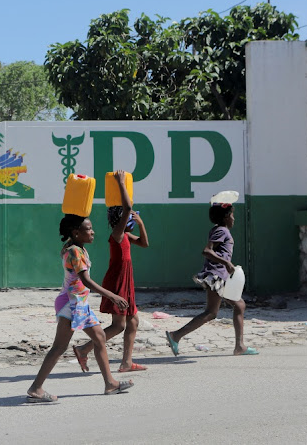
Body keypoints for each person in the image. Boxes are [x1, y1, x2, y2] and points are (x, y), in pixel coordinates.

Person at [26, 214, 135, 402]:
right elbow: (85, 280)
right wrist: (112, 296)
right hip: (72, 302)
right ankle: (36, 388)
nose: (93, 232)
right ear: (76, 233)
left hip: (77, 302)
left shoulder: (77, 248)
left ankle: (110, 383)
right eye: (88, 229)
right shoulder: (75, 251)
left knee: (99, 338)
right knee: (59, 347)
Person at [72, 170, 150, 373]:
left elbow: (144, 243)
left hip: (127, 279)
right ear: (121, 219)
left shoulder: (125, 235)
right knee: (119, 325)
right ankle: (83, 349)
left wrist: (140, 224)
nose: (132, 217)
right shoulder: (116, 234)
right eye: (130, 217)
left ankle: (126, 362)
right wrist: (121, 182)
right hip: (117, 281)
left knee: (133, 321)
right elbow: (128, 207)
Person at [165, 202, 258, 356]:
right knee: (211, 312)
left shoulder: (219, 230)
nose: (234, 218)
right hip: (216, 276)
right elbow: (207, 251)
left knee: (239, 305)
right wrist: (226, 262)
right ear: (227, 217)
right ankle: (176, 335)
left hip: (219, 275)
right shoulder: (221, 231)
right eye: (232, 215)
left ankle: (239, 346)